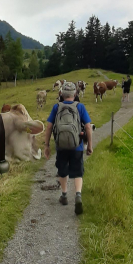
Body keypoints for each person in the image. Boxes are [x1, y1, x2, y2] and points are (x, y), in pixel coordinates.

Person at [44, 81, 93, 215]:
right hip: (76, 146)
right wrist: (89, 146)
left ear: (62, 94)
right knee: (78, 172)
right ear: (75, 94)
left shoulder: (56, 107)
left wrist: (47, 145)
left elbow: (49, 127)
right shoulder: (80, 107)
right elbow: (88, 127)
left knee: (63, 170)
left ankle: (64, 195)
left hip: (61, 147)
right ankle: (77, 195)